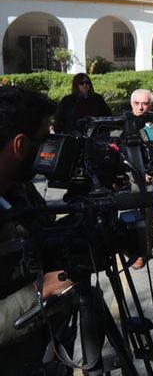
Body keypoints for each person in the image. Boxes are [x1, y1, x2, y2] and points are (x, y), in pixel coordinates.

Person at [0, 87, 73, 372]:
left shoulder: (19, 188)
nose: (47, 150)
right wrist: (41, 293)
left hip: (44, 348)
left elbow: (42, 234)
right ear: (20, 145)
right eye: (43, 140)